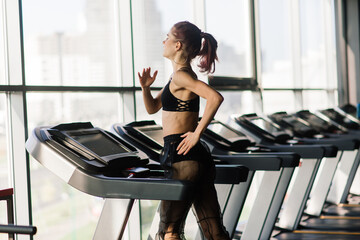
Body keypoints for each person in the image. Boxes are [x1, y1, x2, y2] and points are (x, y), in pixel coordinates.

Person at [138, 21, 229, 240]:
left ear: (177, 45)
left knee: (169, 231)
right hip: (196, 157)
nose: (163, 41)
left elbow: (215, 98)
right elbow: (152, 108)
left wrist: (197, 132)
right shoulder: (177, 77)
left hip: (181, 155)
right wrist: (145, 88)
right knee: (213, 230)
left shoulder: (181, 76)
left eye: (167, 37)